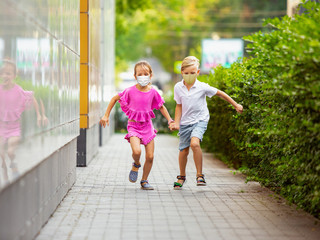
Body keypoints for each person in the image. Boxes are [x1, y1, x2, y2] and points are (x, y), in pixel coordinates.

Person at [169, 56, 243, 189]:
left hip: (200, 120)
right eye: (186, 73)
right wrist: (177, 122)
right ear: (182, 72)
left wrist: (235, 104)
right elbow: (178, 105)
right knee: (183, 150)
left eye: (192, 73)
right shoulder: (178, 87)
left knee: (195, 144)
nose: (189, 75)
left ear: (197, 73)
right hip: (185, 122)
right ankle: (181, 177)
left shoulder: (202, 87)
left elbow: (220, 93)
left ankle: (199, 175)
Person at [100, 61, 173, 190]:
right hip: (133, 126)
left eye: (146, 74)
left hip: (147, 127)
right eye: (140, 74)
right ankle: (136, 163)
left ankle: (144, 180)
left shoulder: (153, 92)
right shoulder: (130, 91)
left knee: (150, 156)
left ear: (151, 75)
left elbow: (161, 107)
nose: (143, 76)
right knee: (137, 151)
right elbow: (114, 99)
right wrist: (106, 115)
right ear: (135, 76)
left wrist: (170, 120)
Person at [0, 59, 43, 179]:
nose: (4, 76)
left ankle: (13, 165)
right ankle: (4, 169)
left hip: (14, 128)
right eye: (2, 73)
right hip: (2, 127)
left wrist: (39, 115)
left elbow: (32, 97)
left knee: (10, 151)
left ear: (14, 75)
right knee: (1, 152)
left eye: (8, 73)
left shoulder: (18, 90)